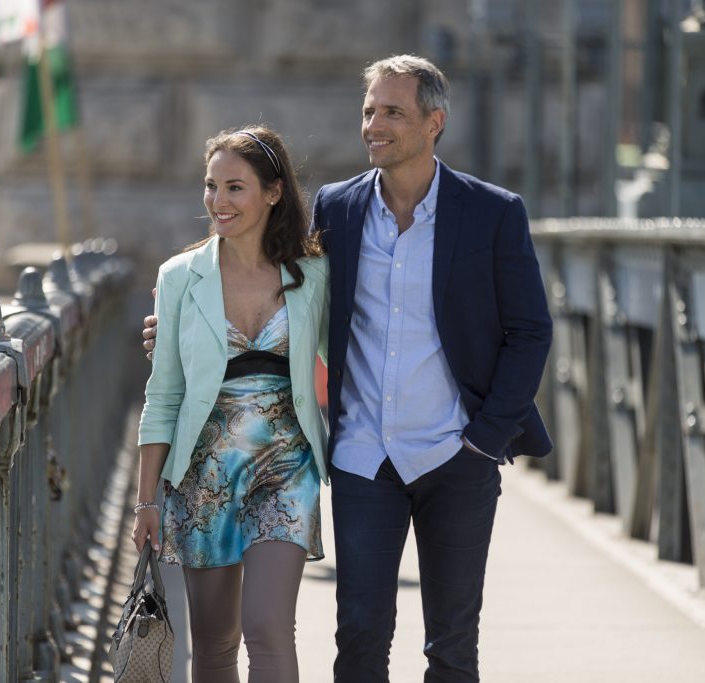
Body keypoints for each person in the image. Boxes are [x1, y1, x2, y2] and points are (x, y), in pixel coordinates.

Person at [145, 55, 552, 682]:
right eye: (368, 111)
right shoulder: (337, 211)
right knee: (359, 637)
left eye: (392, 112)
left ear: (434, 121)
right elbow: (274, 282)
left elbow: (530, 332)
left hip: (457, 455)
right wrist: (175, 333)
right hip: (363, 458)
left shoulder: (493, 213)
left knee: (452, 645)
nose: (374, 125)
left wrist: (485, 439)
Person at [133, 125, 329, 683]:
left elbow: (347, 359)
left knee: (269, 626)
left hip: (287, 469)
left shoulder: (313, 274)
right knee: (216, 642)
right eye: (211, 186)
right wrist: (146, 502)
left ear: (273, 193)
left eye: (235, 187)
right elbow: (164, 392)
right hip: (203, 473)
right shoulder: (178, 278)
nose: (218, 201)